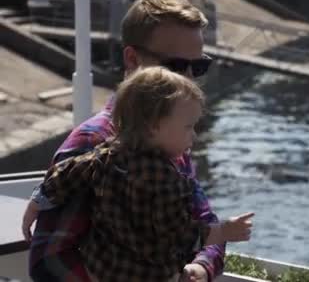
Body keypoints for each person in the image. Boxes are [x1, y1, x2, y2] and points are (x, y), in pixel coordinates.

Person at [22, 0, 226, 282]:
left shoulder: (173, 133)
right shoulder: (92, 143)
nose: (189, 79)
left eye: (199, 66)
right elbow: (49, 262)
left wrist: (202, 268)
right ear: (131, 59)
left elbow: (205, 221)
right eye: (177, 66)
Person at [22, 67, 254, 281]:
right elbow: (176, 235)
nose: (193, 135)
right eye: (188, 127)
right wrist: (222, 231)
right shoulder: (163, 179)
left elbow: (66, 175)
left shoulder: (107, 153)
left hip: (101, 268)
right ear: (154, 125)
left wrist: (36, 203)